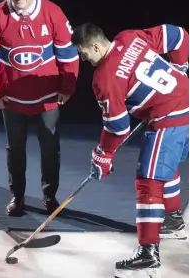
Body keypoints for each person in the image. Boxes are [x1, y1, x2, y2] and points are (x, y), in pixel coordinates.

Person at [71, 23, 189, 278]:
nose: (82, 58)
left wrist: (103, 155)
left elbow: (117, 126)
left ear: (95, 46)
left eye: (83, 53)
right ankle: (174, 221)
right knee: (164, 168)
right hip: (185, 102)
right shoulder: (129, 37)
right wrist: (180, 66)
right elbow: (177, 35)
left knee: (148, 181)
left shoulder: (104, 78)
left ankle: (148, 254)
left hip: (169, 118)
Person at [0, 0, 79, 216]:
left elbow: (68, 53)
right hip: (11, 99)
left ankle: (50, 196)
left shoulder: (53, 13)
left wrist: (67, 87)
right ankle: (18, 196)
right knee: (15, 149)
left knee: (50, 148)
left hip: (48, 97)